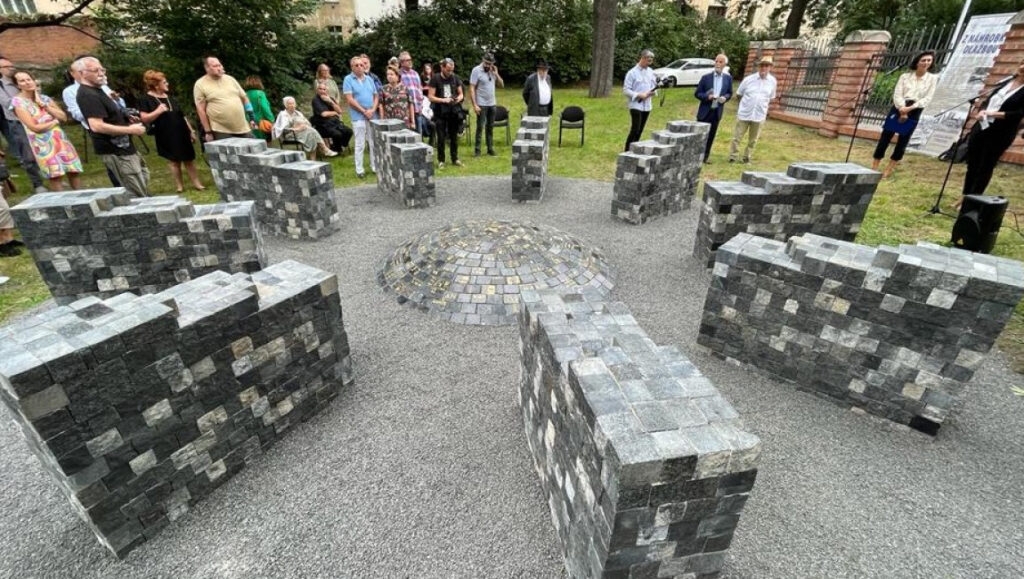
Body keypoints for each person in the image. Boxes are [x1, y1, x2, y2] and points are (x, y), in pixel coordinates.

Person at [75, 56, 150, 197]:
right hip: (116, 151)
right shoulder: (87, 95)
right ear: (82, 73)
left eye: (102, 69)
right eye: (95, 70)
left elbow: (109, 116)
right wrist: (130, 130)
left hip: (125, 147)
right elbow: (96, 126)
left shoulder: (98, 90)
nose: (101, 73)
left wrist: (126, 118)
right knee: (135, 193)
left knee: (143, 180)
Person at [960, 58, 1024, 201]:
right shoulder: (1006, 82)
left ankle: (973, 200)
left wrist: (992, 113)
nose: (1023, 67)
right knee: (973, 163)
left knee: (985, 166)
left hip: (1000, 132)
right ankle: (965, 196)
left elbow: (1019, 114)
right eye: (1022, 63)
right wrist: (982, 111)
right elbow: (988, 101)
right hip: (982, 126)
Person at [10, 71, 82, 192]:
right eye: (22, 81)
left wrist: (45, 106)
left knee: (73, 170)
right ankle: (62, 205)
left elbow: (63, 117)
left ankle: (82, 197)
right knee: (55, 175)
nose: (27, 83)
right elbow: (34, 127)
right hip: (42, 143)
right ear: (17, 85)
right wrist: (54, 122)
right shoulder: (17, 102)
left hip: (59, 139)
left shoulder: (44, 98)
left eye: (29, 79)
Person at [872, 51, 938, 179]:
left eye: (929, 60)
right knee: (885, 137)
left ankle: (888, 170)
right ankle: (874, 166)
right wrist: (902, 108)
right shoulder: (905, 77)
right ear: (917, 61)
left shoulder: (932, 79)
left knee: (903, 140)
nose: (926, 63)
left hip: (915, 108)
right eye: (923, 60)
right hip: (899, 106)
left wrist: (910, 108)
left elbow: (927, 98)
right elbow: (897, 93)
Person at [138, 70, 205, 193]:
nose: (167, 83)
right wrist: (158, 111)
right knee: (174, 161)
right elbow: (144, 118)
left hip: (181, 131)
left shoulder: (170, 98)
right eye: (164, 82)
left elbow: (182, 116)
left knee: (189, 158)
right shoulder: (146, 99)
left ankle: (197, 183)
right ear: (156, 85)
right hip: (165, 133)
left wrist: (191, 131)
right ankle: (179, 186)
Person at [62, 56, 123, 187]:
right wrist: (98, 107)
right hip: (100, 129)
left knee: (128, 161)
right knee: (113, 162)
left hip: (118, 125)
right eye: (78, 71)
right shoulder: (70, 91)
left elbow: (119, 105)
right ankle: (121, 188)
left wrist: (116, 100)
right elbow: (76, 114)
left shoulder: (102, 85)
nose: (81, 73)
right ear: (73, 74)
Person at [0, 57, 47, 193]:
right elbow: (8, 103)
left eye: (11, 65)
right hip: (17, 122)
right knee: (27, 155)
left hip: (37, 119)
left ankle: (54, 178)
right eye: (7, 67)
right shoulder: (2, 85)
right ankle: (38, 184)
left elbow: (39, 99)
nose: (11, 68)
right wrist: (26, 95)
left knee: (45, 150)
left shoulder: (23, 81)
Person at [194, 56, 256, 142]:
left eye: (219, 65)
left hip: (242, 126)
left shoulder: (230, 79)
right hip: (221, 130)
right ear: (207, 68)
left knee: (253, 150)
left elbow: (245, 98)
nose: (219, 68)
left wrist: (252, 116)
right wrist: (208, 131)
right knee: (229, 154)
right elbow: (200, 109)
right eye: (215, 66)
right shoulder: (200, 84)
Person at [729, 56, 777, 164]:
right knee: (737, 136)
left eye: (766, 66)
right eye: (762, 65)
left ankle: (747, 157)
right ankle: (733, 156)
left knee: (753, 139)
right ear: (758, 67)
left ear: (770, 68)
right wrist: (746, 105)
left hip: (759, 115)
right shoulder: (749, 79)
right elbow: (739, 94)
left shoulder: (772, 82)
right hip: (745, 113)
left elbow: (771, 97)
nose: (764, 68)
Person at [343, 55, 379, 179]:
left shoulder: (369, 79)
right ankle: (359, 169)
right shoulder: (348, 79)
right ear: (352, 67)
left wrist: (373, 110)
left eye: (361, 65)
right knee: (360, 144)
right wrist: (364, 111)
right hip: (358, 116)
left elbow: (376, 96)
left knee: (373, 142)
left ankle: (375, 166)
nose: (359, 67)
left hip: (372, 115)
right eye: (356, 65)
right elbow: (350, 99)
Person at [694, 54, 733, 163]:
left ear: (725, 64)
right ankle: (695, 156)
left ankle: (705, 157)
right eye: (716, 61)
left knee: (711, 135)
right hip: (705, 111)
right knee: (700, 135)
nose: (718, 64)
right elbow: (697, 93)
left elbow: (730, 93)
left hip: (717, 111)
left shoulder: (728, 79)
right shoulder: (706, 78)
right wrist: (708, 97)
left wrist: (725, 98)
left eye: (721, 62)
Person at [428, 57, 465, 169]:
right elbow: (430, 96)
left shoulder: (455, 78)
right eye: (448, 70)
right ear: (442, 67)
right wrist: (443, 100)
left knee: (453, 136)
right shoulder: (435, 79)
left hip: (453, 111)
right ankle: (441, 160)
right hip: (440, 112)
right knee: (441, 137)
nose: (450, 72)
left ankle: (455, 158)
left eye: (452, 70)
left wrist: (458, 99)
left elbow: (461, 93)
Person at [273, 97, 337, 160]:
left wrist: (303, 126)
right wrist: (296, 128)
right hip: (289, 135)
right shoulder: (283, 115)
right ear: (286, 105)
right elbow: (282, 129)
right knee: (311, 133)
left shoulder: (298, 113)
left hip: (303, 133)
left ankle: (317, 155)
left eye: (293, 103)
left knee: (311, 133)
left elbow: (308, 124)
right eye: (290, 104)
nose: (292, 105)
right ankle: (323, 149)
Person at [623, 49, 659, 152]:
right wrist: (639, 95)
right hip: (636, 105)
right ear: (642, 58)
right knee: (635, 129)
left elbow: (654, 86)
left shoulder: (651, 72)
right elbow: (626, 90)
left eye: (651, 60)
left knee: (640, 130)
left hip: (647, 105)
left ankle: (634, 149)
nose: (650, 62)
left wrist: (653, 92)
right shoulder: (632, 73)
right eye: (648, 60)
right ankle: (627, 150)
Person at [470, 52, 504, 157]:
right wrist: (475, 105)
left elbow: (502, 85)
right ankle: (477, 151)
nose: (487, 65)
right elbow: (471, 88)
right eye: (486, 63)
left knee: (490, 127)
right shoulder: (476, 70)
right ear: (482, 60)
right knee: (480, 127)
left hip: (492, 104)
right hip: (481, 104)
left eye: (490, 64)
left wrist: (496, 74)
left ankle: (490, 149)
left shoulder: (492, 71)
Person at [311, 81, 353, 153]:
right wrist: (334, 112)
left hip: (335, 123)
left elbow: (339, 111)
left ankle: (339, 145)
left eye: (324, 89)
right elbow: (323, 114)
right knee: (337, 134)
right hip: (323, 125)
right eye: (320, 89)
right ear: (317, 90)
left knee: (349, 131)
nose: (322, 91)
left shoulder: (330, 98)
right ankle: (337, 149)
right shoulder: (315, 100)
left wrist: (331, 102)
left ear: (327, 91)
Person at [398, 51, 429, 137]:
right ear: (401, 62)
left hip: (418, 109)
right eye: (407, 60)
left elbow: (419, 90)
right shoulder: (399, 74)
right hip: (406, 111)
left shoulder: (415, 74)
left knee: (419, 136)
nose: (410, 61)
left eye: (410, 59)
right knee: (407, 137)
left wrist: (421, 104)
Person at [244, 76, 275, 143]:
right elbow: (265, 107)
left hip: (248, 120)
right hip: (260, 121)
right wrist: (271, 119)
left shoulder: (244, 94)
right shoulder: (260, 94)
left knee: (252, 141)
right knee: (263, 142)